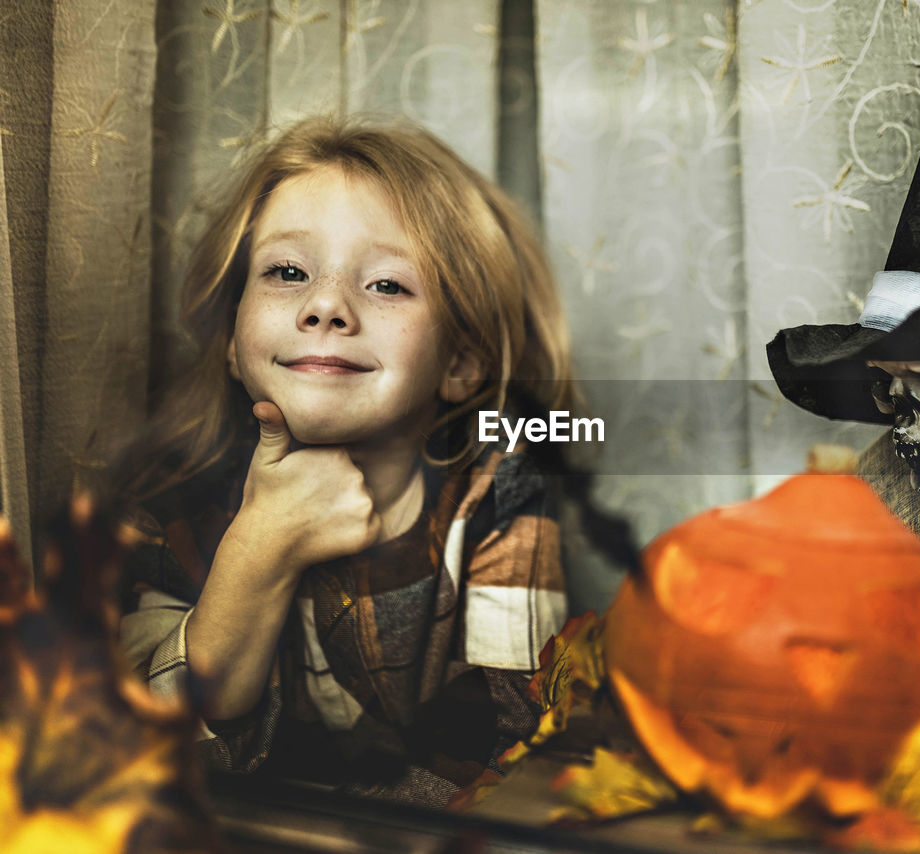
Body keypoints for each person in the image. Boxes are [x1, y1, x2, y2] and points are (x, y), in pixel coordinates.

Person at [107, 117, 572, 804]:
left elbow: (508, 749)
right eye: (287, 272)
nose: (326, 305)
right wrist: (261, 547)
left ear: (461, 361)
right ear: (232, 340)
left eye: (387, 285)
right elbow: (143, 765)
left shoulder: (501, 495)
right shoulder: (174, 504)